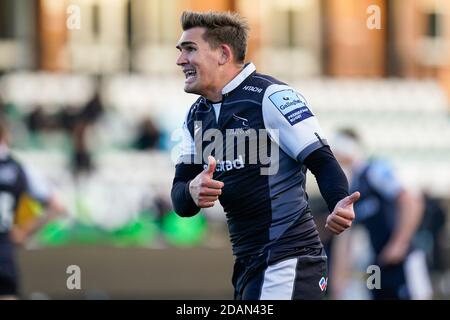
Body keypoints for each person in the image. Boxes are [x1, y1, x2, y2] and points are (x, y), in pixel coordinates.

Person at [170, 11, 359, 300]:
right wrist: (192, 191)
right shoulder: (195, 115)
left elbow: (322, 161)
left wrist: (338, 202)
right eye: (180, 51)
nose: (180, 60)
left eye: (190, 49)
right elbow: (180, 198)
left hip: (289, 258)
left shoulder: (271, 96)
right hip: (248, 263)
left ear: (223, 53)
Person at [330, 128, 433, 300]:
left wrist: (399, 244)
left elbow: (411, 201)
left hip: (403, 261)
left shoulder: (374, 170)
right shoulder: (353, 185)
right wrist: (338, 281)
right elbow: (345, 238)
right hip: (379, 265)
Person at [0, 120, 65, 299]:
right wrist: (24, 231)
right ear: (6, 136)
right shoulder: (18, 168)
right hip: (4, 251)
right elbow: (57, 207)